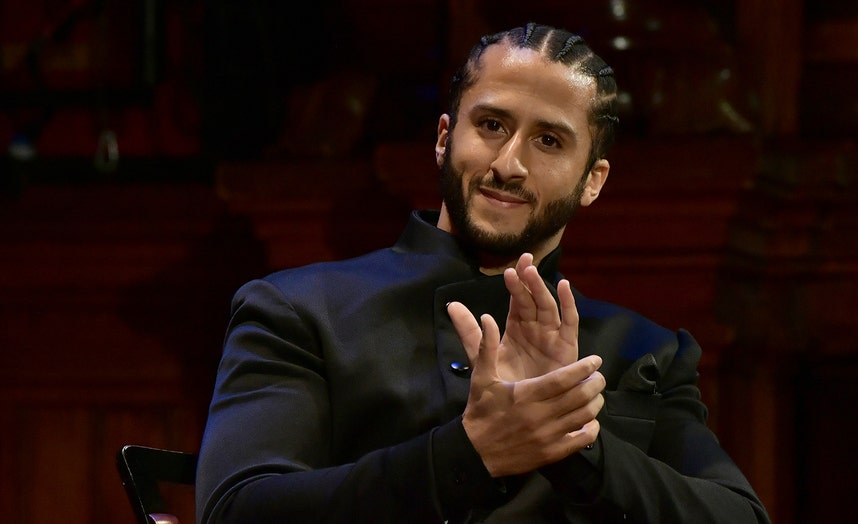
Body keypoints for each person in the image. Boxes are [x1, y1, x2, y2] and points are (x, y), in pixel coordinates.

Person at [195, 23, 770, 523]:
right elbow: (238, 510)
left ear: (592, 180)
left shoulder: (647, 350)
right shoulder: (299, 310)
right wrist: (469, 455)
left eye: (548, 140)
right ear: (445, 138)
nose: (508, 164)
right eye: (491, 125)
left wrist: (573, 445)